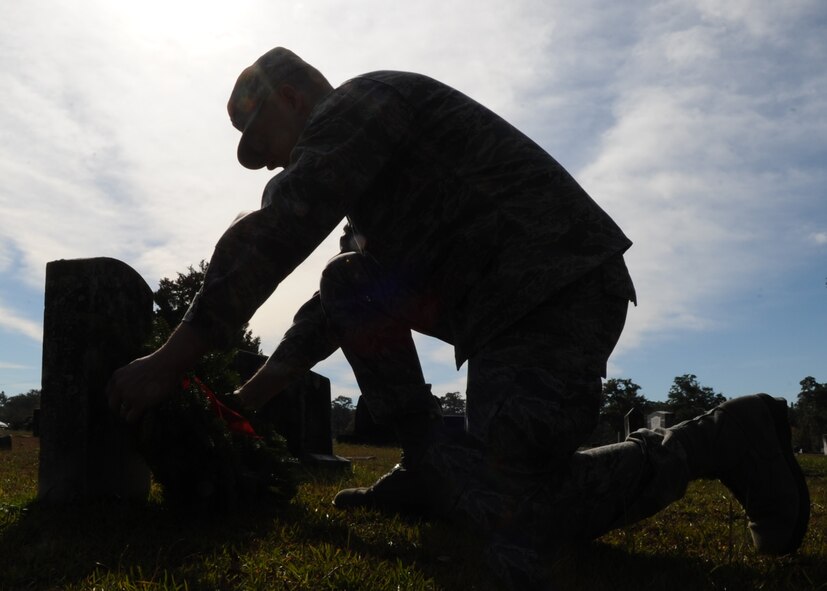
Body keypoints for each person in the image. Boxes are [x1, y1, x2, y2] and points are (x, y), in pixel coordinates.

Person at [107, 47, 809, 588]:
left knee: (519, 506)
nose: (271, 168)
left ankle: (714, 439)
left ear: (292, 96)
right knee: (348, 279)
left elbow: (279, 227)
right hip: (506, 307)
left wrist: (169, 361)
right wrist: (246, 403)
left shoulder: (358, 105)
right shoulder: (371, 185)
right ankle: (427, 465)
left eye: (268, 146)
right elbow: (336, 304)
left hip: (555, 288)